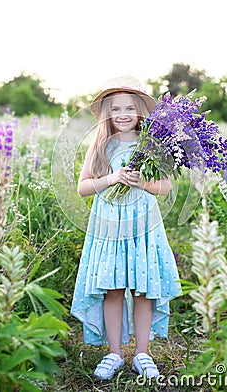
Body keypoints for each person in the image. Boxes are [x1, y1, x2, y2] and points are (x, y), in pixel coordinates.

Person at [71, 76, 181, 380]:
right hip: (109, 224)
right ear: (107, 113)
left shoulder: (152, 144)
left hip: (144, 222)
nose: (122, 114)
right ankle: (115, 353)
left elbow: (165, 187)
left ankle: (142, 353)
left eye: (129, 108)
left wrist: (141, 182)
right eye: (115, 108)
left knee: (143, 288)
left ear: (140, 111)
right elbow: (82, 188)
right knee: (113, 287)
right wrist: (111, 178)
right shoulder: (101, 145)